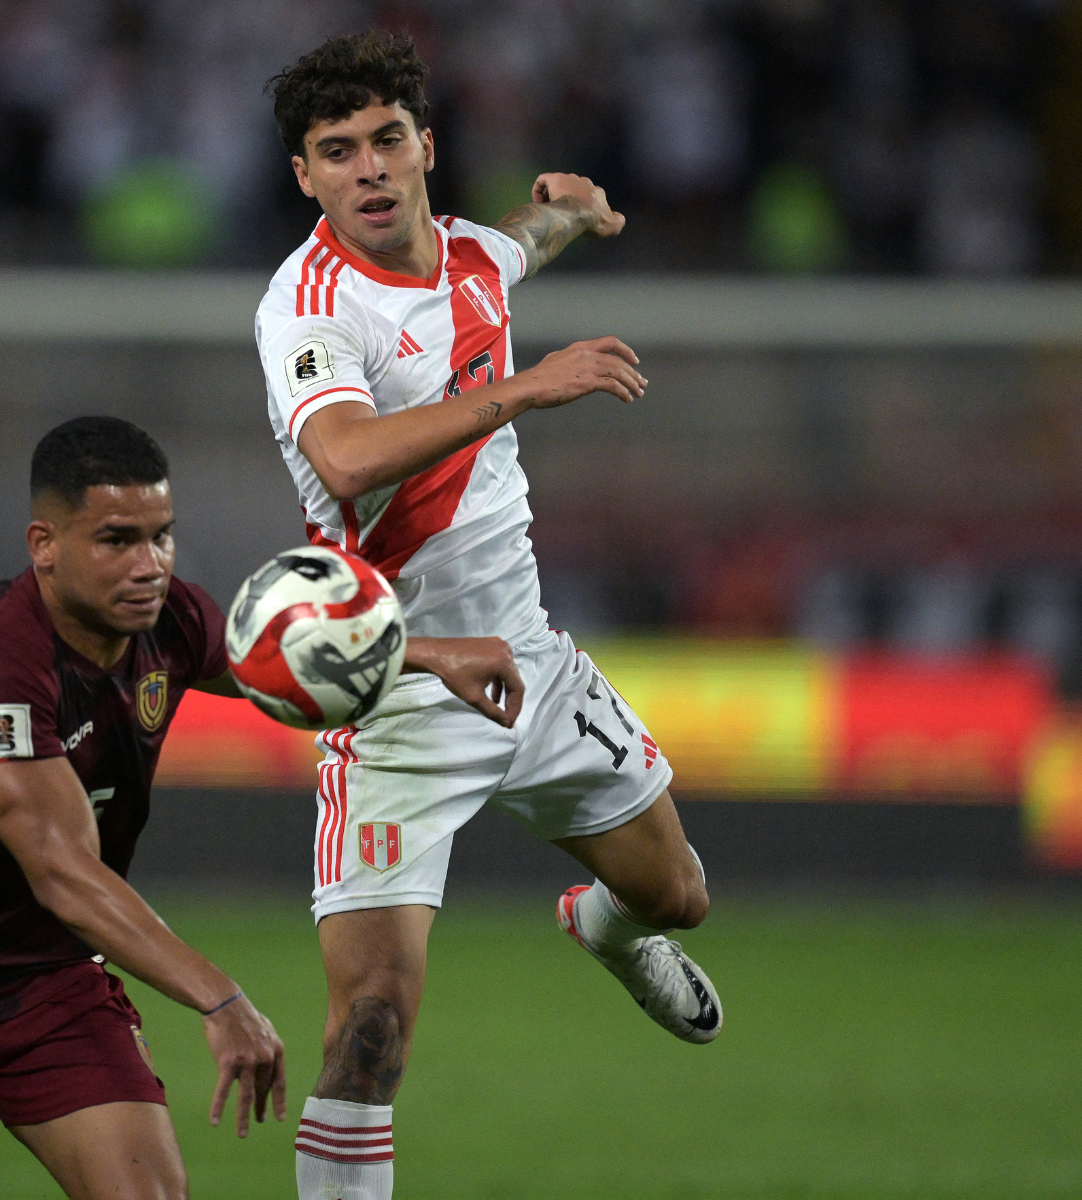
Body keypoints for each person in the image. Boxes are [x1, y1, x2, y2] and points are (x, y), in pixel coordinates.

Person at [0, 415, 525, 1200]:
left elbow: (283, 651)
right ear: (44, 544)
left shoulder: (167, 620)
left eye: (162, 536)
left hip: (46, 979)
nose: (149, 565)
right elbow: (61, 871)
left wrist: (431, 654)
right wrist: (218, 996)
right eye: (117, 540)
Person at [256, 32, 723, 1200]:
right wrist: (524, 386)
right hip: (397, 689)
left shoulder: (468, 258)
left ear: (423, 147)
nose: (366, 170)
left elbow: (514, 246)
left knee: (679, 898)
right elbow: (348, 453)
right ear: (303, 177)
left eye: (385, 141)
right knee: (370, 1027)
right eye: (335, 152)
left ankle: (604, 930)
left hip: (532, 666)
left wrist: (565, 209)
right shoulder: (308, 307)